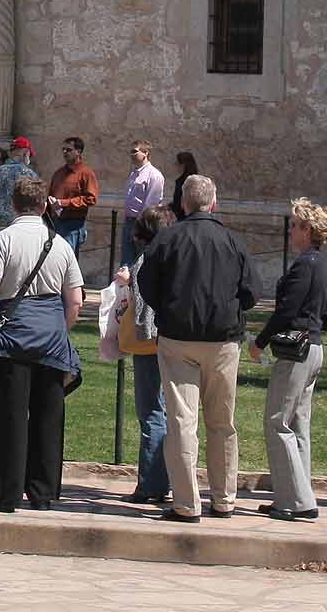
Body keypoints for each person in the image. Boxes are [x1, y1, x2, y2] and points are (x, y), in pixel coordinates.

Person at [136, 174, 254, 522]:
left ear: (184, 204)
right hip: (222, 340)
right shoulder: (233, 241)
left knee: (182, 421)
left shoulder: (168, 239)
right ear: (213, 203)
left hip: (178, 339)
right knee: (222, 423)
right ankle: (224, 499)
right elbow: (251, 291)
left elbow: (147, 283)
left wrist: (168, 309)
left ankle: (187, 503)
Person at [0, 174, 84, 514]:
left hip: (13, 335)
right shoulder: (60, 242)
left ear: (14, 204)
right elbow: (75, 300)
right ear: (42, 203)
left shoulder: (3, 240)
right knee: (49, 417)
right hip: (51, 336)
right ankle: (44, 491)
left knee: (9, 416)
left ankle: (5, 493)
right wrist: (59, 328)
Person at [250, 197, 327, 521]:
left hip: (297, 350)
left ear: (308, 230)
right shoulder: (319, 263)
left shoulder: (306, 264)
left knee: (277, 421)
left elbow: (286, 311)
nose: (290, 230)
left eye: (295, 225)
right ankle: (297, 495)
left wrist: (260, 342)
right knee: (298, 424)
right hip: (313, 349)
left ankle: (296, 501)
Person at [113, 204, 175, 505]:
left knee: (150, 410)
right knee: (164, 410)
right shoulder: (173, 255)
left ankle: (151, 483)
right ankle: (162, 479)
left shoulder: (147, 258)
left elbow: (144, 294)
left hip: (149, 342)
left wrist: (128, 279)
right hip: (170, 341)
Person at [46, 137, 99, 254]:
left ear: (78, 152)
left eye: (68, 150)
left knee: (66, 261)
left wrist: (63, 203)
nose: (65, 153)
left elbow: (91, 199)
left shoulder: (86, 173)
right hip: (55, 224)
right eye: (63, 150)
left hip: (73, 225)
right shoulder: (59, 173)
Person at [119, 140, 167, 266]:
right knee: (126, 262)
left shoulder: (154, 175)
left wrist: (140, 225)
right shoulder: (134, 173)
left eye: (134, 151)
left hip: (143, 225)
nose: (131, 154)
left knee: (140, 263)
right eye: (130, 151)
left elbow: (152, 203)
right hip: (129, 221)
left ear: (145, 153)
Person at [170, 152, 198, 220]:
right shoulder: (182, 180)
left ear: (183, 165)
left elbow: (183, 203)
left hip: (184, 218)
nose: (175, 165)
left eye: (177, 163)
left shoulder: (188, 181)